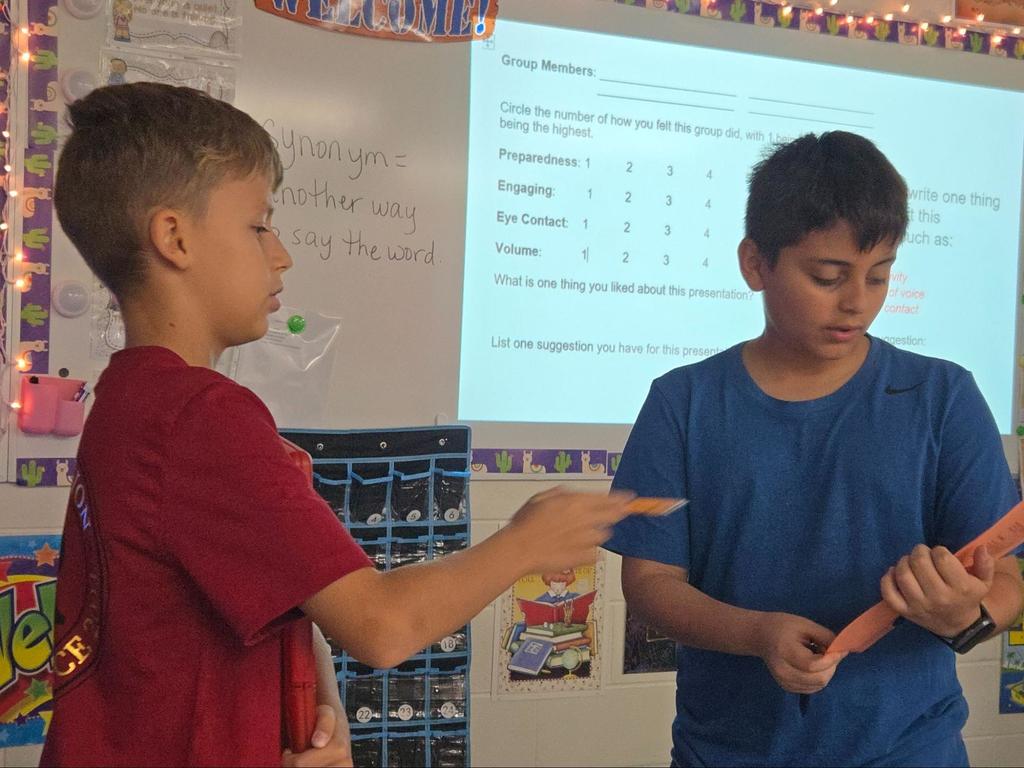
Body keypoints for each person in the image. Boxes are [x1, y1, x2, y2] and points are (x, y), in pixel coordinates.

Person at [42, 82, 634, 767]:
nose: (281, 253)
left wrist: (321, 708)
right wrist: (526, 543)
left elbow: (278, 596)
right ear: (174, 237)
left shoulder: (131, 399)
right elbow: (381, 626)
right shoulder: (200, 415)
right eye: (258, 225)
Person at [604, 131, 1024, 767]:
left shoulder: (942, 396)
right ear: (756, 264)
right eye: (827, 277)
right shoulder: (683, 403)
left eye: (878, 276)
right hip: (728, 750)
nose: (857, 302)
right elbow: (652, 582)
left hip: (910, 747)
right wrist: (756, 633)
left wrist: (964, 615)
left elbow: (1007, 578)